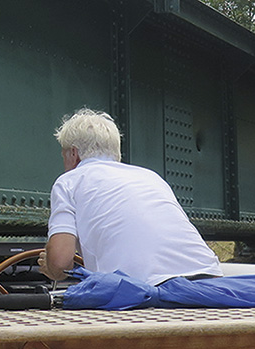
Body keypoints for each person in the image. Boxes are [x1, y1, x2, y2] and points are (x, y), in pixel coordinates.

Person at [38, 108, 222, 285]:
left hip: (143, 290)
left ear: (73, 154)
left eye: (64, 156)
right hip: (208, 279)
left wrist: (51, 268)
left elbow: (61, 263)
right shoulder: (150, 176)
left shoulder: (69, 181)